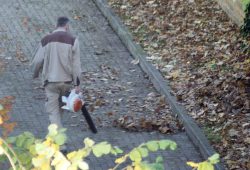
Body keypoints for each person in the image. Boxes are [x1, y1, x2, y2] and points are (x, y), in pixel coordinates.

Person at [31, 16, 81, 153]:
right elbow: (76, 65)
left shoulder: (46, 39)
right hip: (66, 83)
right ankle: (53, 138)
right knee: (59, 111)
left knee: (53, 112)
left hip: (50, 83)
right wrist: (77, 84)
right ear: (67, 26)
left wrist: (35, 74)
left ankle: (61, 144)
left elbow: (37, 61)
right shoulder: (73, 40)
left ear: (56, 25)